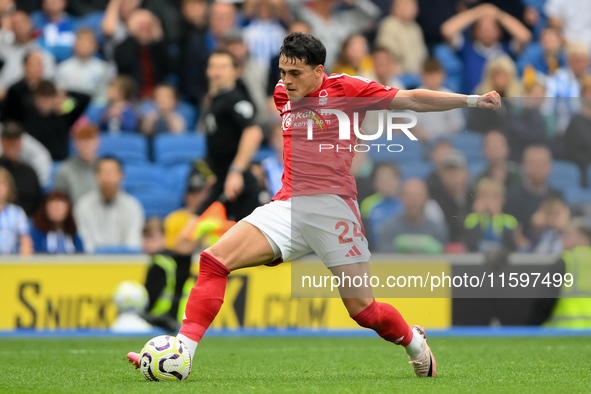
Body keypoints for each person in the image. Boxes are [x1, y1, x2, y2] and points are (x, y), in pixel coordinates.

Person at [126, 32, 502, 377]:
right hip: (288, 205)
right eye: (282, 71)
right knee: (213, 260)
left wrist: (471, 100)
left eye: (295, 73)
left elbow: (413, 98)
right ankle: (182, 353)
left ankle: (415, 343)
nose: (287, 81)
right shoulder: (281, 94)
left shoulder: (348, 89)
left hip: (334, 208)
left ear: (318, 70)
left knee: (364, 311)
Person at [196, 49, 263, 221]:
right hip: (221, 182)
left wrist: (235, 171)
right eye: (213, 66)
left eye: (223, 67)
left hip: (237, 184)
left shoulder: (235, 99)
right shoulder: (214, 100)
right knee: (194, 235)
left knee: (193, 235)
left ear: (236, 71)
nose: (217, 71)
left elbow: (253, 132)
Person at [441, 2, 531, 94]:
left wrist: (498, 14)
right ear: (475, 31)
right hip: (472, 104)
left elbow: (525, 36)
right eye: (482, 27)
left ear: (499, 31)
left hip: (502, 104)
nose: (487, 30)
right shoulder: (467, 49)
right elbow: (447, 30)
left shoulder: (506, 50)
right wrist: (477, 13)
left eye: (491, 27)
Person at [74, 156, 145, 252]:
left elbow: (133, 243)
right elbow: (84, 242)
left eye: (111, 172)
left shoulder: (133, 206)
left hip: (124, 263)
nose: (107, 176)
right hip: (91, 263)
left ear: (121, 175)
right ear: (96, 175)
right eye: (103, 172)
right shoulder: (83, 205)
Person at [505, 144, 561, 249]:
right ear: (524, 165)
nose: (538, 166)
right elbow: (510, 232)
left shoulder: (557, 196)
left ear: (550, 167)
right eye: (533, 162)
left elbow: (565, 223)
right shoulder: (512, 196)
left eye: (542, 162)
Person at [23, 80, 91, 161]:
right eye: (42, 99)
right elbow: (17, 98)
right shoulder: (27, 115)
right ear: (35, 99)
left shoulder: (63, 117)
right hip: (35, 162)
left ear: (54, 98)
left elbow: (85, 98)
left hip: (60, 162)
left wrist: (64, 92)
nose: (45, 103)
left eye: (48, 99)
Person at [376, 178, 448, 253]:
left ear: (427, 198)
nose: (414, 200)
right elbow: (383, 256)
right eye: (409, 195)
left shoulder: (438, 229)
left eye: (419, 195)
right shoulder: (389, 227)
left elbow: (444, 255)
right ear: (401, 198)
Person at [55, 28, 115, 100]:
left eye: (88, 42)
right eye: (81, 42)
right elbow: (60, 96)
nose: (84, 46)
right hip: (69, 108)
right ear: (74, 45)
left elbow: (104, 97)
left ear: (95, 46)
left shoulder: (103, 69)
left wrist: (92, 110)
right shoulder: (63, 68)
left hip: (95, 107)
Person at [463, 177, 517, 253]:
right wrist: (480, 216)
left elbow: (512, 246)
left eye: (494, 197)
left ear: (502, 200)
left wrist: (496, 216)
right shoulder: (472, 218)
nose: (488, 201)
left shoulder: (509, 220)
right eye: (484, 196)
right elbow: (471, 244)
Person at [0, 121, 42, 216]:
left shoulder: (30, 172)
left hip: (28, 223)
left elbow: (38, 204)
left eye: (15, 140)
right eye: (8, 140)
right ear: (2, 141)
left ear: (20, 142)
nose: (12, 144)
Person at [375, 0, 427, 75]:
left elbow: (422, 55)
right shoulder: (389, 25)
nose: (408, 8)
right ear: (394, 7)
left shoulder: (416, 28)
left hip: (417, 73)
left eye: (411, 5)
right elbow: (385, 52)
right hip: (397, 74)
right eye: (404, 4)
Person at [53, 125, 100, 203]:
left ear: (97, 142)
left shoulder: (105, 168)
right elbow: (59, 201)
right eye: (82, 140)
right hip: (73, 213)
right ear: (74, 144)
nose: (86, 145)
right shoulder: (65, 169)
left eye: (89, 140)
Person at [0, 167, 33, 255]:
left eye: (2, 183)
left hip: (12, 263)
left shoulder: (17, 212)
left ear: (9, 188)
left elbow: (25, 241)